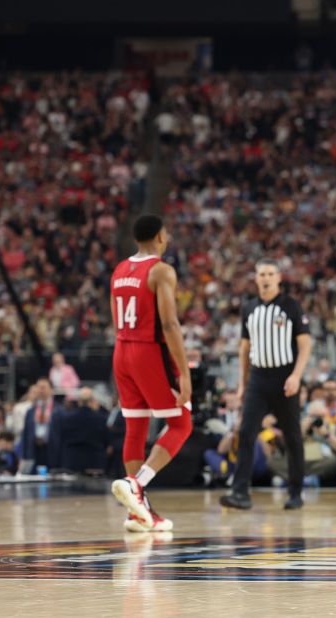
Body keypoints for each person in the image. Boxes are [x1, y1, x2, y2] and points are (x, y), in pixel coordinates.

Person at [110, 214, 192, 533]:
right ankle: (136, 484)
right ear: (160, 237)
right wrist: (183, 372)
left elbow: (114, 314)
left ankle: (138, 513)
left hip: (122, 348)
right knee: (181, 423)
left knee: (136, 426)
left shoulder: (119, 270)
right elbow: (169, 324)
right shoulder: (161, 270)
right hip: (148, 350)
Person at [219, 259, 312, 510]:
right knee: (246, 432)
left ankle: (295, 493)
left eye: (271, 273)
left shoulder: (291, 305)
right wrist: (242, 384)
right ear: (256, 278)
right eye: (262, 274)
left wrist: (296, 376)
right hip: (258, 379)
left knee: (292, 437)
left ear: (279, 277)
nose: (266, 277)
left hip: (285, 378)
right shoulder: (248, 308)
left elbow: (305, 344)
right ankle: (240, 493)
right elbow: (244, 347)